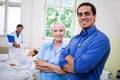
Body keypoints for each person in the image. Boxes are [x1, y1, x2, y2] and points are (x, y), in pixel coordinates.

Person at [59, 2, 111, 80]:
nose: (83, 17)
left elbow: (80, 67)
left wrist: (68, 58)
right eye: (80, 14)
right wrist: (75, 67)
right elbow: (61, 60)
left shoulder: (101, 39)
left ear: (94, 16)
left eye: (87, 14)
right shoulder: (74, 39)